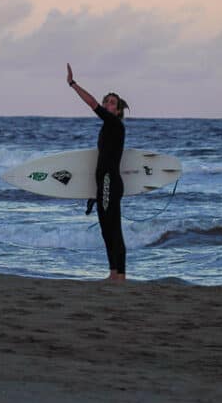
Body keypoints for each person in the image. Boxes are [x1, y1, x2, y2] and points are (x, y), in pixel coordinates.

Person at [66, 64, 129, 281]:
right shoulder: (107, 127)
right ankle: (113, 272)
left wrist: (73, 84)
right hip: (104, 183)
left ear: (118, 111)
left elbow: (92, 103)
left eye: (112, 103)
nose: (107, 105)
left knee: (113, 229)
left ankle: (120, 275)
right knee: (105, 229)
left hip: (110, 182)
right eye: (106, 102)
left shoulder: (115, 124)